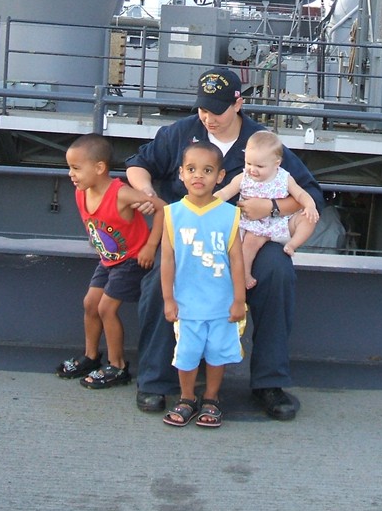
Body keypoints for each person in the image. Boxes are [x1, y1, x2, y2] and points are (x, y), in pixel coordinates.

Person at [126, 67, 324, 421]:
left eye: (217, 111)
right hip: (190, 237)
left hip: (248, 233)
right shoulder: (180, 133)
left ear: (238, 104)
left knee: (277, 272)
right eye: (203, 109)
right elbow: (139, 164)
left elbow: (310, 195)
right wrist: (147, 192)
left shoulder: (261, 141)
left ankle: (269, 382)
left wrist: (272, 207)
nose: (208, 118)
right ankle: (155, 380)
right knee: (159, 282)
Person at [55, 133, 165, 390]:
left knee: (106, 308)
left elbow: (163, 209)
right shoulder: (81, 191)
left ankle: (118, 366)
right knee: (90, 303)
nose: (71, 174)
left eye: (76, 168)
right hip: (109, 260)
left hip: (131, 261)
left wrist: (150, 246)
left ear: (99, 167)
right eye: (69, 168)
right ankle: (91, 356)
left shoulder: (121, 194)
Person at [160, 141, 246, 427]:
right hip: (187, 304)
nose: (199, 175)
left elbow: (237, 260)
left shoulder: (229, 214)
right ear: (181, 173)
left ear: (220, 176)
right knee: (186, 353)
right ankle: (187, 397)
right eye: (192, 169)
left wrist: (238, 299)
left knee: (217, 354)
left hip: (222, 303)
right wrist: (168, 299)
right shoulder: (172, 214)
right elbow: (167, 260)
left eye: (207, 170)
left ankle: (211, 397)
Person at [215, 130, 320, 289]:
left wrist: (310, 206)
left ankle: (292, 245)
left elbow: (300, 194)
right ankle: (245, 273)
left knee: (308, 219)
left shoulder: (284, 178)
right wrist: (212, 201)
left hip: (281, 223)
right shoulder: (243, 178)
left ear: (276, 163)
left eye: (259, 166)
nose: (252, 170)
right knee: (248, 245)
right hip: (254, 225)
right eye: (248, 163)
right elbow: (226, 192)